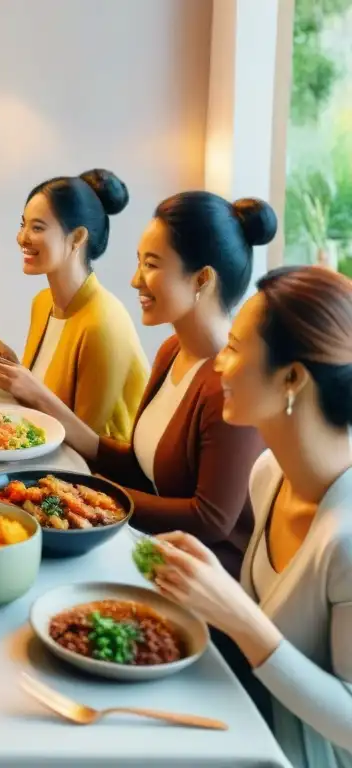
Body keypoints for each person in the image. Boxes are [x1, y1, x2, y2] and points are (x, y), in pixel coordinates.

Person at [153, 266, 352, 766]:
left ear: (292, 377)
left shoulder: (345, 539)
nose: (219, 362)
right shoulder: (268, 473)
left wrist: (238, 616)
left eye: (236, 346)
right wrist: (203, 586)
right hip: (243, 720)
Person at [27, 192, 273, 578]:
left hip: (200, 577)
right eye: (139, 262)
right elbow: (138, 465)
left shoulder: (228, 381)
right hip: (146, 543)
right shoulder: (172, 350)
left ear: (203, 279)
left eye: (152, 264)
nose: (135, 279)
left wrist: (91, 492)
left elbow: (211, 519)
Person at [0, 170, 148, 441]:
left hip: (94, 474)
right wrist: (4, 359)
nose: (22, 237)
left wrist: (29, 387)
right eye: (23, 224)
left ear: (76, 238)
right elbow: (42, 394)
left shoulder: (104, 324)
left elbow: (85, 440)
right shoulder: (43, 303)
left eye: (37, 228)